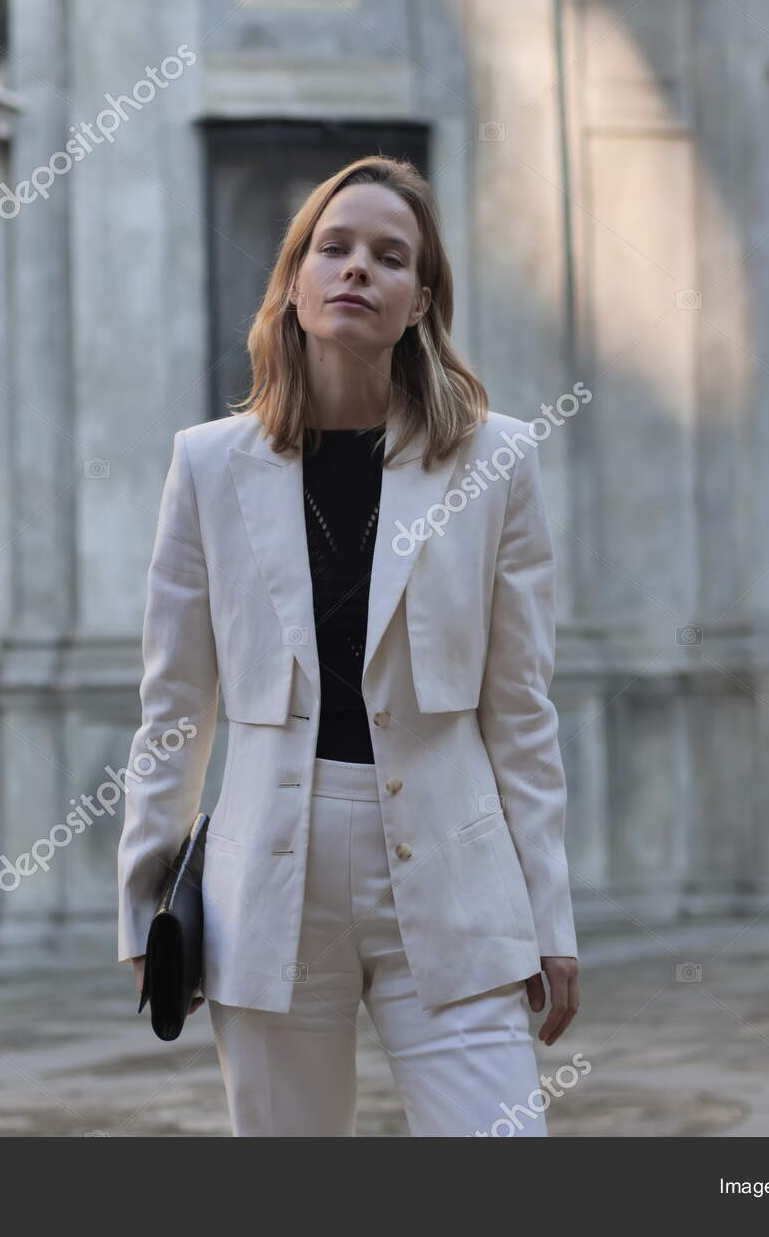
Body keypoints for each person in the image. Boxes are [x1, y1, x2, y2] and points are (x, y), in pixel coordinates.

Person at [117, 155, 579, 1136]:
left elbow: (521, 708)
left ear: (420, 300)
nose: (357, 270)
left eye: (389, 256)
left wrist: (549, 915)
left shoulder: (496, 460)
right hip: (264, 877)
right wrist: (147, 899)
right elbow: (173, 704)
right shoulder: (208, 464)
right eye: (334, 248)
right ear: (294, 280)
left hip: (455, 867)